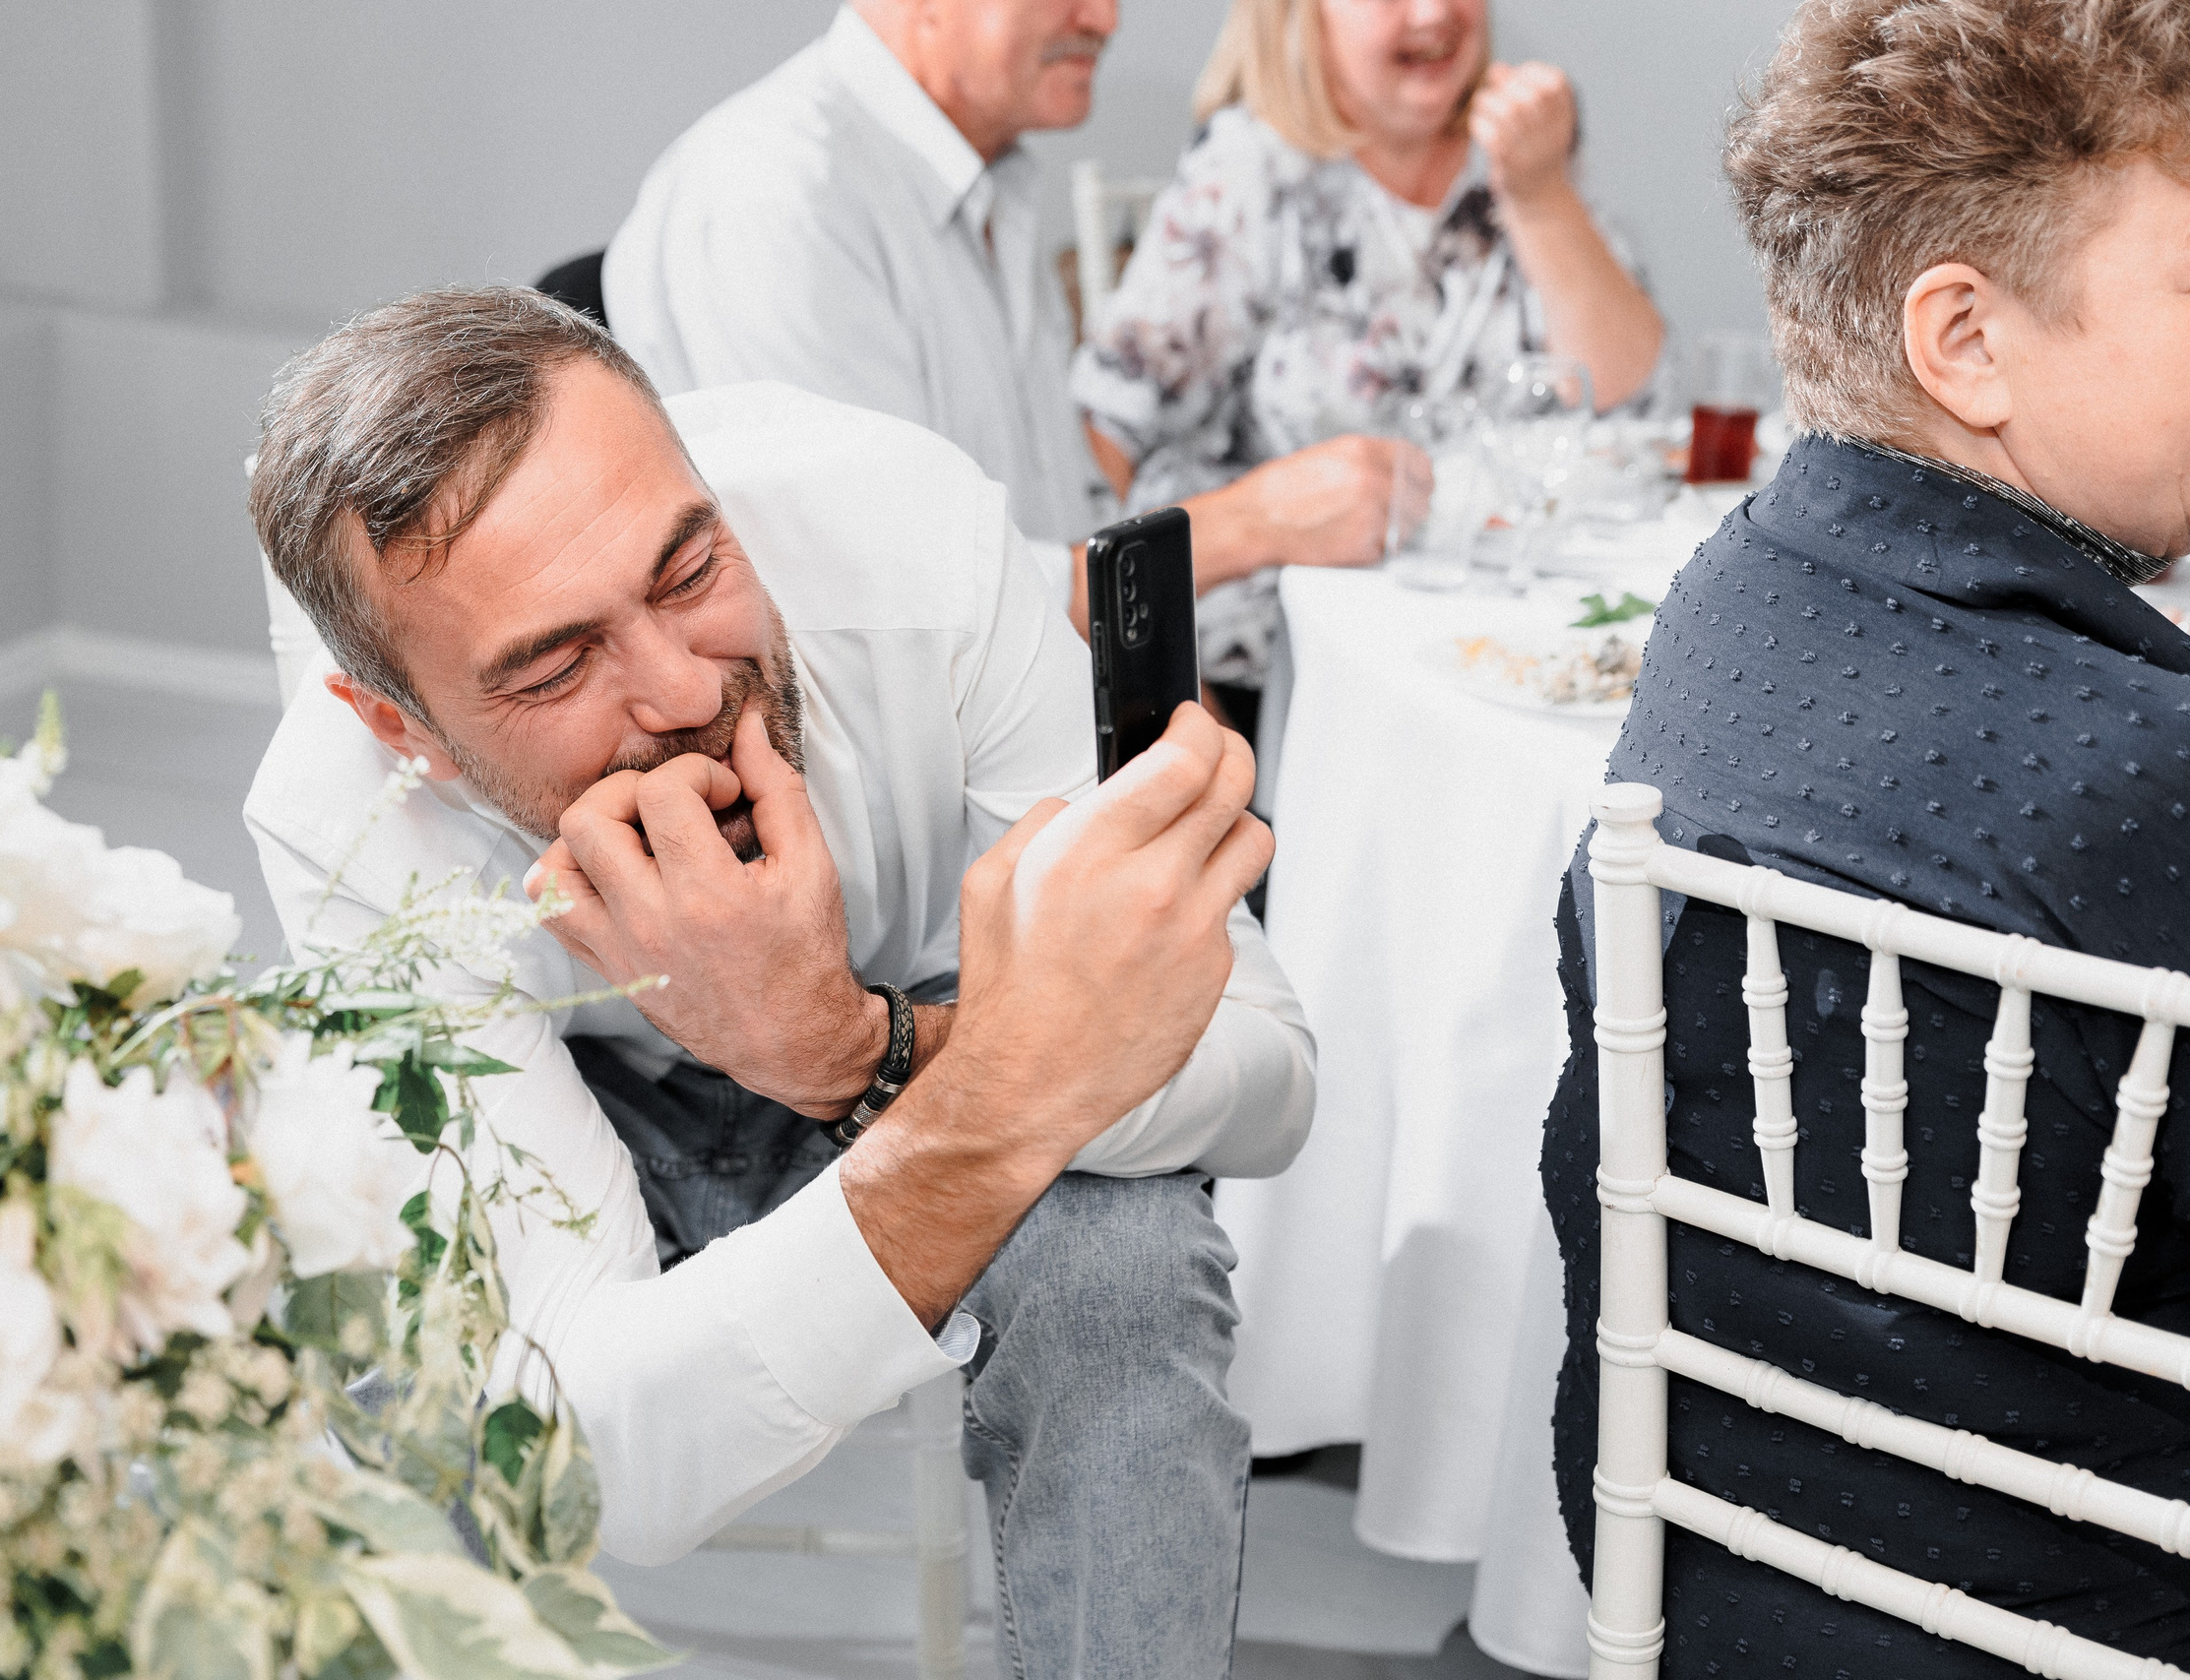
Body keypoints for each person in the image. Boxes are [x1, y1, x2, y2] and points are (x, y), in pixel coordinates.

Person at [243, 286, 1316, 1679]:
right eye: (558, 661)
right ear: (405, 726)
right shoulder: (347, 817)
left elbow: (1271, 1077)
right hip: (588, 1111)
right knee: (393, 1338)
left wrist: (848, 1047)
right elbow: (605, 1463)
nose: (684, 689)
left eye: (689, 572)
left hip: (917, 1010)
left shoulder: (909, 540)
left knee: (1121, 1259)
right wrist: (964, 1083)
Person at [1540, 1, 2190, 1673]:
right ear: (1964, 338)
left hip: (1731, 1569)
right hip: (2086, 1606)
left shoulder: (1731, 598)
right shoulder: (2142, 761)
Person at [601, 0, 1431, 656]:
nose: (1105, 18)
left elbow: (1051, 523)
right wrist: (1250, 524)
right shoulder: (778, 202)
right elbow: (897, 611)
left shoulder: (987, 182)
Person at [1071, 0, 1663, 718]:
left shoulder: (1518, 154)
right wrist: (1157, 685)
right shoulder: (1251, 170)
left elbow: (1631, 402)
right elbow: (1104, 443)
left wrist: (1540, 196)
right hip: (1288, 676)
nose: (1433, 13)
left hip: (1502, 645)